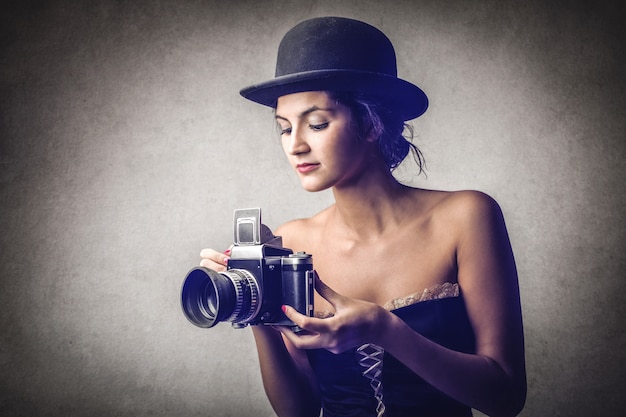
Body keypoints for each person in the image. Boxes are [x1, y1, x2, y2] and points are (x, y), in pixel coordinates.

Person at [199, 17, 526, 417]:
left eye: (317, 123)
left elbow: (506, 397)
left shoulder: (466, 217)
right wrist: (256, 310)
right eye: (285, 129)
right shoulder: (292, 242)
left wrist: (385, 330)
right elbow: (297, 409)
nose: (296, 145)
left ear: (372, 122)